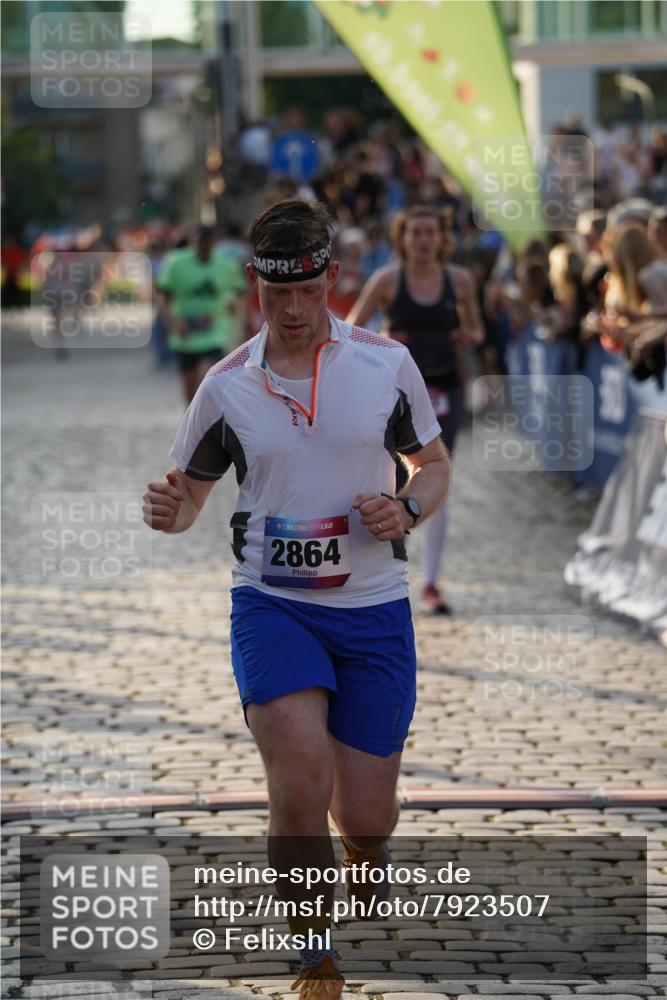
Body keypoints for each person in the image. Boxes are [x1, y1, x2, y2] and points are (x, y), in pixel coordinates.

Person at [143, 198, 450, 999]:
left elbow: (434, 465)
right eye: (275, 292)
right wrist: (171, 510)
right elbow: (189, 496)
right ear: (254, 282)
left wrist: (407, 507)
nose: (290, 309)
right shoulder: (223, 387)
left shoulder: (385, 364)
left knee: (366, 811)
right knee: (299, 778)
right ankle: (314, 952)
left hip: (373, 607)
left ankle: (365, 849)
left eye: (306, 291)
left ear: (330, 279)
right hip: (272, 605)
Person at [346, 204, 481, 615]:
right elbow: (350, 330)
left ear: (441, 238)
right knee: (392, 480)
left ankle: (431, 581)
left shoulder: (458, 280)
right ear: (402, 239)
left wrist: (465, 335)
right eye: (415, 232)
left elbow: (477, 330)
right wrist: (384, 338)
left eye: (429, 232)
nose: (423, 240)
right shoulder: (388, 279)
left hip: (444, 389)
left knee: (436, 476)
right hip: (395, 396)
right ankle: (385, 572)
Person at [155, 224, 246, 403]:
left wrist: (240, 324)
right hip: (186, 336)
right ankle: (194, 419)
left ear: (214, 243)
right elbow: (162, 297)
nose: (203, 246)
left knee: (206, 380)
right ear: (192, 243)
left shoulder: (226, 265)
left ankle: (209, 416)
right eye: (199, 242)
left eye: (207, 241)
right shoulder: (176, 263)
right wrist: (174, 323)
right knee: (190, 396)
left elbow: (240, 294)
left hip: (216, 334)